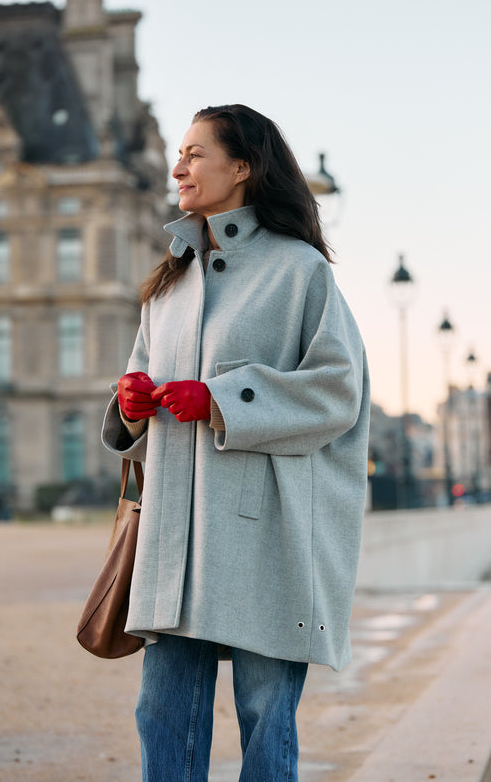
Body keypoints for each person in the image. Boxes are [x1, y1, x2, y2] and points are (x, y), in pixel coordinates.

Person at [101, 104, 370, 782]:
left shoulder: (299, 270)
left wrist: (222, 400)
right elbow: (140, 388)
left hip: (264, 532)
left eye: (195, 153)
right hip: (172, 534)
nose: (178, 166)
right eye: (180, 153)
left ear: (242, 167)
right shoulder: (171, 277)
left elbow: (338, 390)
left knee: (264, 716)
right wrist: (131, 402)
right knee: (160, 714)